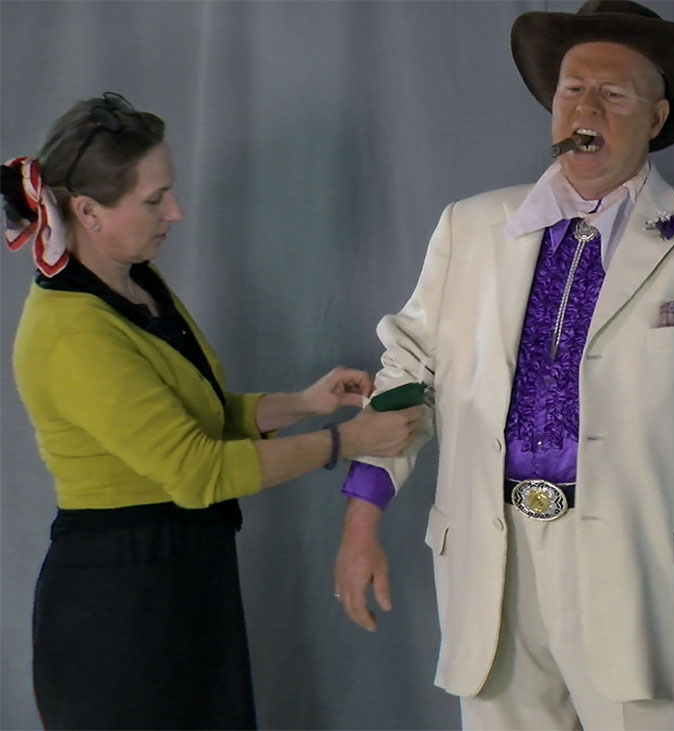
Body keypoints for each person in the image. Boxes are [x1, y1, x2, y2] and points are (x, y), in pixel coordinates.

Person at [332, 2, 674, 728]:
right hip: (493, 563)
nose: (587, 109)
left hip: (641, 570)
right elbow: (408, 375)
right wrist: (363, 518)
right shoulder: (470, 227)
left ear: (657, 117)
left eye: (613, 95)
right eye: (573, 90)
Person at [4, 93, 420, 730]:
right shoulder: (70, 332)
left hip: (179, 576)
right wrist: (346, 441)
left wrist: (302, 405)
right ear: (87, 212)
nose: (175, 211)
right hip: (119, 605)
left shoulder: (134, 282)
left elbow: (190, 414)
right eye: (154, 199)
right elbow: (197, 471)